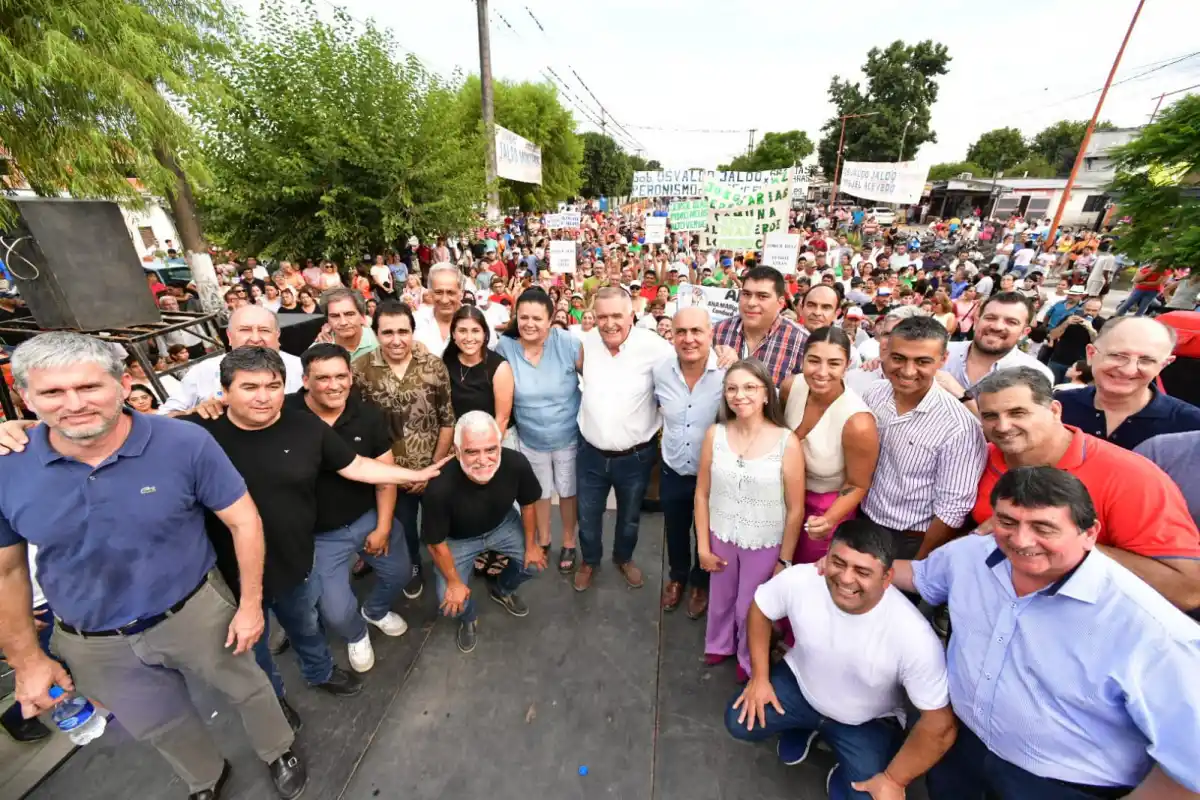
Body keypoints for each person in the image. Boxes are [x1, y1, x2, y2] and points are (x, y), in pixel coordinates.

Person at [0, 332, 307, 799]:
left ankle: (278, 748)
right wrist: (26, 660)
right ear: (26, 396)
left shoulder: (183, 442)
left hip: (195, 611)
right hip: (93, 638)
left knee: (248, 687)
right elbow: (7, 572)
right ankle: (205, 778)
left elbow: (243, 520)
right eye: (53, 392)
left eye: (89, 386)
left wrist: (250, 605)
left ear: (123, 384)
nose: (74, 404)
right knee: (157, 723)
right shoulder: (8, 466)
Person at [893, 467, 1200, 799]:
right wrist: (854, 566)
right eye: (1007, 522)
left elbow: (1191, 765)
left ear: (1090, 533)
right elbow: (920, 577)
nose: (1021, 540)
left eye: (1043, 528)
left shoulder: (1155, 633)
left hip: (1056, 786)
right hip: (961, 751)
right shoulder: (970, 554)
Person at [725, 520, 955, 800]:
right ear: (826, 557)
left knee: (868, 796)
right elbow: (760, 609)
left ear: (887, 578)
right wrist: (760, 678)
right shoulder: (802, 579)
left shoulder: (914, 636)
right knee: (738, 721)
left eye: (862, 571)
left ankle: (843, 762)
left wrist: (894, 781)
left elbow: (940, 724)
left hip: (866, 720)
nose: (846, 579)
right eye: (839, 563)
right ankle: (804, 726)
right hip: (801, 688)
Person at [971, 367, 1200, 613]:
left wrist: (1070, 545)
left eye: (1018, 413)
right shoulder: (978, 457)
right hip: (986, 611)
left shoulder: (1128, 476)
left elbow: (1188, 590)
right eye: (990, 416)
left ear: (1054, 410)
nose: (1003, 426)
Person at [290, 344, 413, 674]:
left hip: (367, 517)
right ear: (305, 380)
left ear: (350, 377)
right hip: (318, 535)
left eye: (340, 376)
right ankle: (356, 634)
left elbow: (385, 476)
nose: (334, 385)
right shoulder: (284, 414)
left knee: (400, 573)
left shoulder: (368, 416)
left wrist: (383, 526)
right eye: (323, 378)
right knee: (335, 611)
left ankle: (374, 611)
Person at [695, 359, 804, 683]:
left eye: (749, 387)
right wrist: (703, 546)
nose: (739, 395)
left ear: (767, 394)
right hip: (721, 534)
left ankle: (748, 656)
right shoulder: (715, 434)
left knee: (750, 606)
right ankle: (718, 643)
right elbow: (702, 493)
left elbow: (795, 509)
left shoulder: (786, 442)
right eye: (732, 388)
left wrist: (784, 559)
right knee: (720, 598)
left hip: (764, 540)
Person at [861, 316, 987, 560]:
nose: (908, 371)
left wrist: (920, 561)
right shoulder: (873, 395)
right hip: (865, 520)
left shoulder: (960, 427)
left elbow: (951, 509)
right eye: (899, 358)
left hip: (911, 540)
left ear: (943, 359)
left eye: (922, 361)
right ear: (885, 352)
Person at [354, 301, 455, 600]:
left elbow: (447, 419)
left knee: (442, 523)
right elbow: (358, 427)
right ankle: (413, 568)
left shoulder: (433, 366)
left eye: (403, 331)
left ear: (413, 332)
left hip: (434, 468)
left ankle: (451, 569)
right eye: (388, 332)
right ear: (376, 333)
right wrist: (391, 474)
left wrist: (432, 468)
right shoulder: (360, 371)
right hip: (390, 476)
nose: (396, 340)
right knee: (404, 529)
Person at [574, 287, 674, 592]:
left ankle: (623, 558)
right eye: (602, 316)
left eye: (617, 315)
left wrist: (722, 353)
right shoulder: (587, 342)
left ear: (632, 316)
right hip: (590, 454)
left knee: (630, 516)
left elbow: (688, 362)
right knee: (587, 515)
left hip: (636, 457)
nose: (609, 323)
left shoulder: (655, 347)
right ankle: (590, 560)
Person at [422, 411, 546, 653]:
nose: (483, 460)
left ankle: (502, 590)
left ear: (500, 445)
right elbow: (435, 543)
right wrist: (454, 583)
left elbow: (528, 505)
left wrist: (531, 545)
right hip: (456, 540)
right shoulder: (438, 487)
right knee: (450, 602)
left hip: (501, 526)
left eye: (491, 449)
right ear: (457, 452)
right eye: (472, 452)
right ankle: (469, 618)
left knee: (533, 564)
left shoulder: (516, 463)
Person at [496, 289, 582, 572]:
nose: (529, 324)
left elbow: (597, 377)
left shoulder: (567, 343)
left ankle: (569, 541)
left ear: (550, 319)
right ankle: (543, 539)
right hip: (530, 437)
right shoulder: (505, 347)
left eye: (537, 318)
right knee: (539, 492)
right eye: (524, 317)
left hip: (568, 435)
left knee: (568, 491)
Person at [780, 328, 878, 564]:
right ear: (802, 360)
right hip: (780, 499)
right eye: (814, 361)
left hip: (823, 509)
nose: (822, 372)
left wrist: (829, 519)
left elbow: (857, 484)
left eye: (834, 363)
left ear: (847, 366)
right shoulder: (790, 387)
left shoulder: (858, 423)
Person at [653, 307, 725, 618]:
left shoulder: (728, 372)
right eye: (681, 331)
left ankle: (701, 582)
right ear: (671, 335)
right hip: (673, 469)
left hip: (712, 476)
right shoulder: (660, 371)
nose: (689, 338)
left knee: (706, 532)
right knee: (676, 529)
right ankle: (678, 577)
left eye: (696, 331)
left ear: (711, 333)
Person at [1056, 316, 1200, 449]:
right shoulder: (1058, 405)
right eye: (1117, 356)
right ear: (1091, 354)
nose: (1128, 370)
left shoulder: (1191, 427)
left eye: (1146, 360)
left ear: (1163, 365)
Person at [159, 305, 305, 414]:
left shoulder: (301, 368)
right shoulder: (204, 370)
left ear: (277, 335)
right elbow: (166, 417)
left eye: (264, 330)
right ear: (229, 337)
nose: (255, 339)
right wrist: (195, 413)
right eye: (245, 330)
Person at [939, 291, 1054, 401]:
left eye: (1011, 322)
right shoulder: (941, 351)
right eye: (990, 318)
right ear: (976, 322)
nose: (997, 327)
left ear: (1024, 332)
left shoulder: (1036, 375)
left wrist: (962, 396)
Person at [712, 266, 808, 387]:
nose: (751, 303)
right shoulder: (717, 331)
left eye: (762, 296)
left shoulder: (802, 342)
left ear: (780, 303)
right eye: (746, 294)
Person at [1045, 296, 1104, 384]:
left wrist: (1091, 329)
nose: (1090, 313)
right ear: (1083, 308)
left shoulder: (1101, 323)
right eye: (1087, 309)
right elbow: (1052, 336)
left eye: (1094, 310)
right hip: (1058, 360)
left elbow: (1098, 345)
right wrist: (1066, 323)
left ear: (1099, 311)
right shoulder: (1071, 317)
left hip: (1078, 367)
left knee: (1068, 390)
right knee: (1049, 386)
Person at [415, 263, 470, 357]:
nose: (444, 300)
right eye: (439, 292)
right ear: (430, 293)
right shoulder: (415, 320)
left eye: (450, 292)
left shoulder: (478, 322)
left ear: (461, 293)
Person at [318, 287, 379, 360]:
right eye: (335, 316)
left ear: (362, 317)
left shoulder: (380, 341)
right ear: (328, 320)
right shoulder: (318, 351)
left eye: (349, 314)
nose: (343, 322)